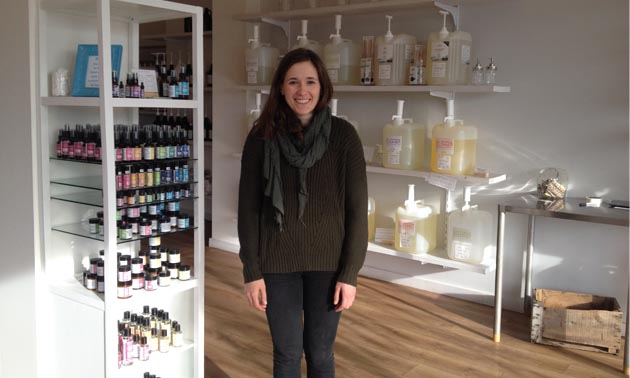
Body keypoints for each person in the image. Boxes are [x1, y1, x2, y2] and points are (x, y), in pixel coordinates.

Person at [237, 48, 368, 378]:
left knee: (321, 353)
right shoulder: (260, 137)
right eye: (293, 81)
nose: (302, 90)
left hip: (328, 264)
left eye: (310, 81)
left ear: (322, 86)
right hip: (277, 264)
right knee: (286, 354)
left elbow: (356, 210)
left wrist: (350, 274)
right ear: (281, 87)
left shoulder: (344, 137)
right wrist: (251, 270)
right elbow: (248, 208)